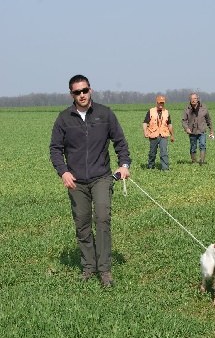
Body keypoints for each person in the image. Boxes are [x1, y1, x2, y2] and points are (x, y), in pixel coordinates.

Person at [50, 74, 131, 287]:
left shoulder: (105, 114)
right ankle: (88, 267)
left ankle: (104, 270)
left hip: (101, 177)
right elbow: (55, 149)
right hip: (76, 181)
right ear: (71, 94)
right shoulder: (64, 119)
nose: (82, 95)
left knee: (102, 219)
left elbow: (120, 142)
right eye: (77, 92)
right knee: (82, 224)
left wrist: (124, 165)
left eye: (84, 90)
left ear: (90, 90)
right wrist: (63, 172)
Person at [142, 96, 174, 171]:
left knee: (164, 152)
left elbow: (169, 124)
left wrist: (172, 135)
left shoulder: (166, 112)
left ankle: (165, 168)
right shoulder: (151, 111)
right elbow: (145, 123)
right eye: (160, 102)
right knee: (152, 153)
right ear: (157, 102)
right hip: (153, 134)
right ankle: (150, 166)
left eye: (162, 103)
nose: (161, 104)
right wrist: (145, 131)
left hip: (164, 134)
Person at [181, 93, 214, 165]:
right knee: (193, 147)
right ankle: (194, 161)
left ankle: (202, 162)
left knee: (203, 145)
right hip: (192, 131)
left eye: (195, 98)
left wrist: (211, 130)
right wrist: (186, 128)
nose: (193, 100)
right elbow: (183, 120)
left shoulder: (204, 107)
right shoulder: (187, 109)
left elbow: (208, 120)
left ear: (197, 99)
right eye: (191, 99)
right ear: (190, 100)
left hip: (202, 131)